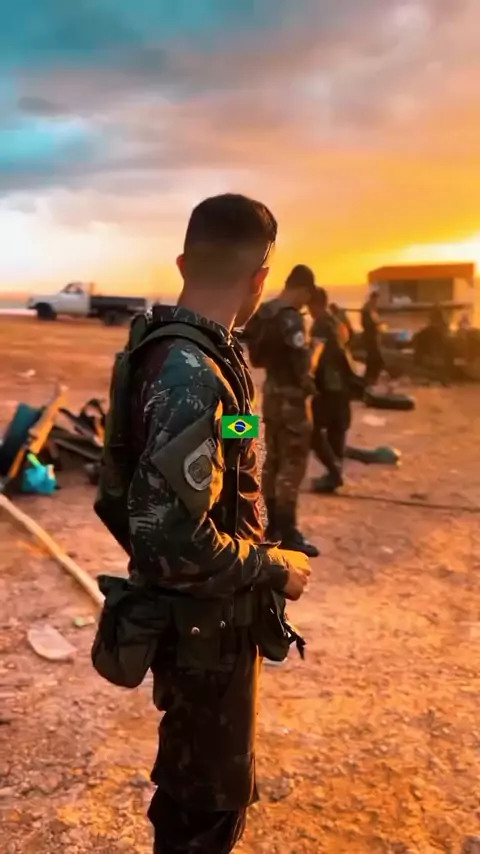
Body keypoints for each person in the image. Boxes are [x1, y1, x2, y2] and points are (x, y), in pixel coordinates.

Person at [95, 194, 312, 854]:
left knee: (201, 794)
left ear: (185, 263)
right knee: (205, 806)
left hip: (211, 616)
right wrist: (273, 566)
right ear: (261, 278)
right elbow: (170, 539)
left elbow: (228, 453)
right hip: (205, 626)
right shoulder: (193, 372)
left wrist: (248, 490)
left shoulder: (199, 355)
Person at [244, 265, 319, 557]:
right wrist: (310, 381)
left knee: (273, 461)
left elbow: (257, 358)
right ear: (303, 290)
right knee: (293, 463)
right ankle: (287, 531)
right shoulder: (291, 318)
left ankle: (271, 526)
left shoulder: (265, 312)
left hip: (272, 394)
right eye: (306, 297)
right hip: (292, 398)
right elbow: (301, 364)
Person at [309, 287, 362, 493]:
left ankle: (334, 473)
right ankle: (334, 475)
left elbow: (317, 359)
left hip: (328, 387)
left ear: (315, 304)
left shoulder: (320, 326)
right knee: (336, 431)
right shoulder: (338, 323)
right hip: (342, 387)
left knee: (312, 431)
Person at [361, 289, 385, 387]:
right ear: (372, 298)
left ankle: (371, 379)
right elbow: (366, 323)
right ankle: (370, 379)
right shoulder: (367, 309)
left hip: (373, 336)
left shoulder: (371, 308)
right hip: (370, 337)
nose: (376, 302)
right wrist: (376, 324)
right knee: (375, 359)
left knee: (373, 359)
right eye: (376, 299)